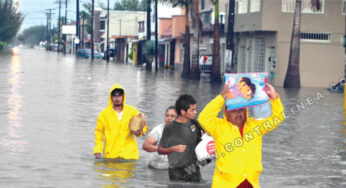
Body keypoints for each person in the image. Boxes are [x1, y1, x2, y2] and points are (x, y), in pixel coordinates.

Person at [198, 83, 285, 188]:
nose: (238, 114)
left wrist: (274, 98)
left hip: (251, 183)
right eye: (234, 111)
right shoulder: (218, 127)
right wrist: (222, 98)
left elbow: (278, 118)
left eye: (241, 110)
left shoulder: (256, 126)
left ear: (246, 111)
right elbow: (203, 118)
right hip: (225, 184)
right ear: (226, 112)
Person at [94, 84, 148, 160]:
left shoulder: (132, 111)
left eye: (119, 95)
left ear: (123, 96)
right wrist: (98, 150)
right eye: (114, 96)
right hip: (111, 156)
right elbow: (99, 133)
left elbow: (144, 126)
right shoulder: (104, 114)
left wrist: (139, 132)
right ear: (111, 98)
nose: (117, 98)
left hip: (129, 155)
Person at [158, 94, 203, 182]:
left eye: (195, 109)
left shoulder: (195, 123)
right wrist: (173, 148)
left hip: (194, 169)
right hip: (176, 172)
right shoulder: (170, 128)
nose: (195, 112)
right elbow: (160, 150)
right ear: (183, 112)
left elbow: (202, 142)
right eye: (192, 110)